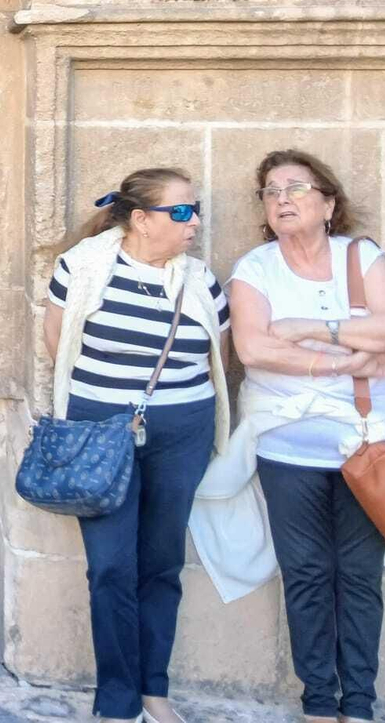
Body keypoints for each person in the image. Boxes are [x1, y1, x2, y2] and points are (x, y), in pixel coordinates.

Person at [223, 151, 385, 723]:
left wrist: (309, 329)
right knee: (306, 573)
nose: (281, 198)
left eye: (296, 187)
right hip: (287, 447)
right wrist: (348, 360)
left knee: (358, 577)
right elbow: (253, 349)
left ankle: (358, 704)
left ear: (328, 203)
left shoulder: (360, 256)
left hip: (368, 444)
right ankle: (316, 703)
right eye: (270, 190)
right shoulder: (255, 268)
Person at [42, 168, 230, 723]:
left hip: (182, 434)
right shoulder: (82, 267)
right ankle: (118, 701)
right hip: (100, 433)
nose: (193, 221)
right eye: (180, 212)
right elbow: (58, 344)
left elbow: (216, 353)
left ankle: (155, 691)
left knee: (162, 563)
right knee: (110, 568)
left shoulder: (201, 279)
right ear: (141, 220)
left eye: (195, 210)